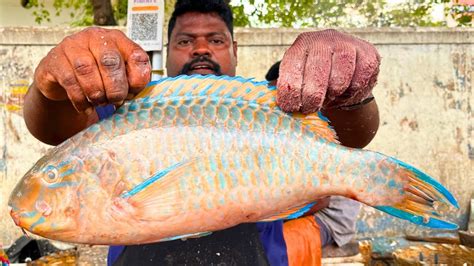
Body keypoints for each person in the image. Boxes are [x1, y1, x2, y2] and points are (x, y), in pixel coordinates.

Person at [23, 0, 381, 265]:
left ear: (235, 50)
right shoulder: (124, 112)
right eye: (184, 41)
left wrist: (353, 93)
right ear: (165, 50)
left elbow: (349, 140)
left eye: (216, 40)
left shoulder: (273, 110)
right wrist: (47, 88)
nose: (200, 49)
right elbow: (53, 126)